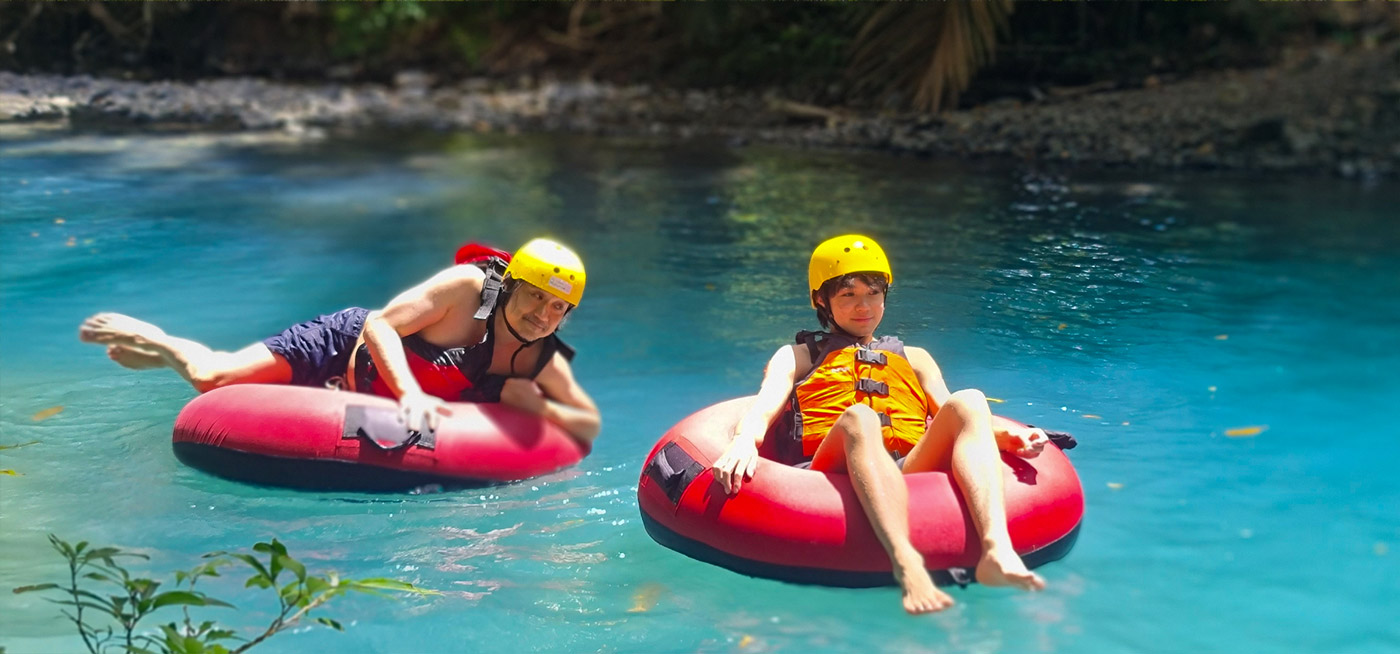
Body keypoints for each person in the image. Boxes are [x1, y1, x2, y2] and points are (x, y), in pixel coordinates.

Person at [710, 234, 1050, 615]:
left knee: (970, 398)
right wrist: (743, 440)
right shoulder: (799, 355)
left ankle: (996, 548)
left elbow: (951, 415)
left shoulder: (916, 357)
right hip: (827, 470)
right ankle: (907, 564)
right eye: (848, 295)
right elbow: (764, 404)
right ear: (821, 301)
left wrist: (1008, 437)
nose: (864, 306)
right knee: (860, 416)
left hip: (906, 466)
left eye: (873, 293)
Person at [78, 238, 601, 445]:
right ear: (510, 283)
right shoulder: (466, 290)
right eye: (536, 297)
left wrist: (546, 413)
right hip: (341, 345)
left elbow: (588, 423)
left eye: (559, 308)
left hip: (369, 392)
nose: (543, 315)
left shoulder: (538, 356)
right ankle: (161, 342)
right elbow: (379, 325)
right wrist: (410, 396)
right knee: (210, 379)